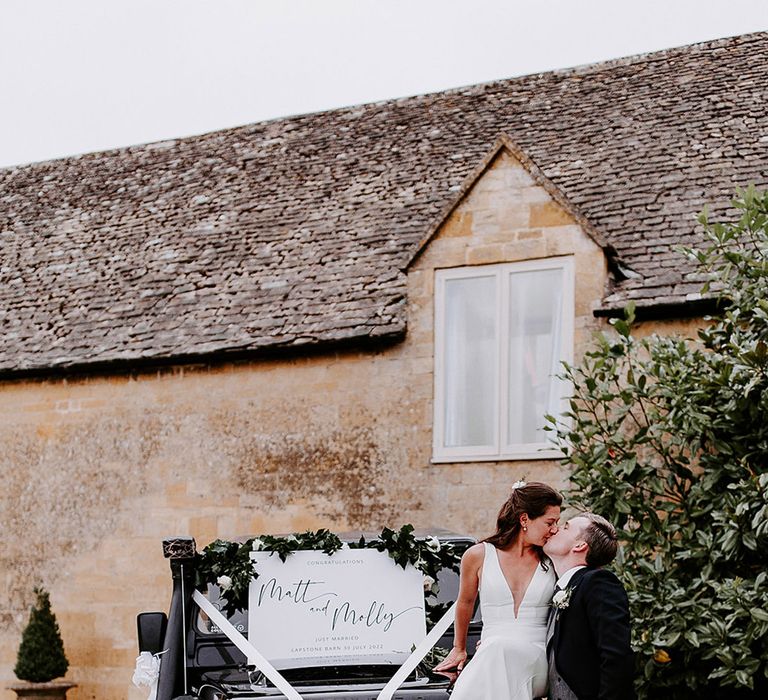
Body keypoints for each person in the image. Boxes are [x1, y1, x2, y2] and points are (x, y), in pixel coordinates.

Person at [434, 481, 562, 699]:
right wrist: (459, 648)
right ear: (524, 519)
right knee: (498, 652)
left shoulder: (553, 559)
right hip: (494, 653)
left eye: (558, 523)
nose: (555, 529)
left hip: (537, 657)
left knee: (498, 650)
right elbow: (465, 602)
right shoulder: (478, 555)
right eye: (550, 522)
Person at [543, 512, 635, 700]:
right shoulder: (559, 590)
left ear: (580, 545)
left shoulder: (599, 582)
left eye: (565, 527)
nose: (555, 529)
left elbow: (616, 657)